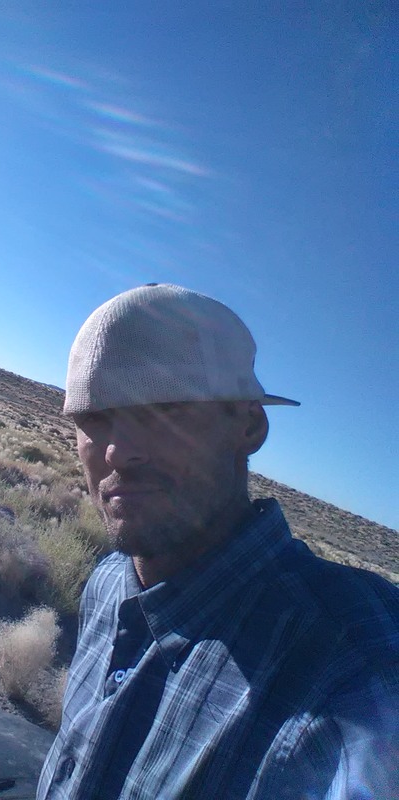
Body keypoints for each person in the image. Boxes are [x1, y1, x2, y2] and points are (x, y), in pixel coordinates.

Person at [37, 284, 398, 800]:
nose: (117, 451)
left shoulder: (355, 663)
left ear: (248, 427)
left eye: (163, 410)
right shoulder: (107, 583)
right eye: (93, 416)